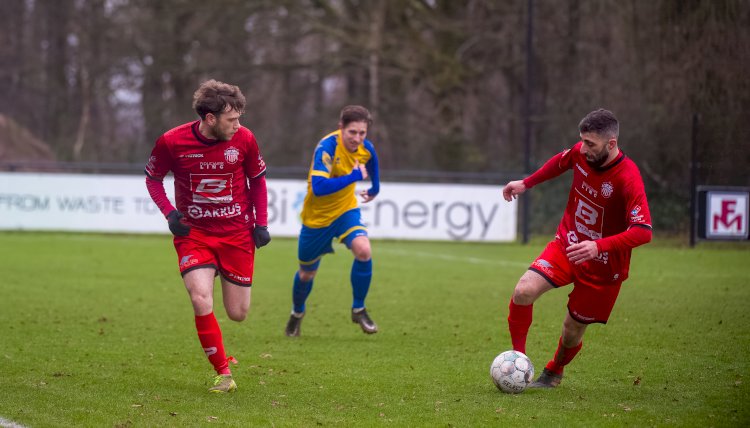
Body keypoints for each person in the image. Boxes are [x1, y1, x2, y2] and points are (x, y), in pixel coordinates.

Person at [502, 108, 652, 388]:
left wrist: (598, 246)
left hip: (604, 266)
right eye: (582, 141)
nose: (583, 149)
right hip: (567, 245)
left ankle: (554, 371)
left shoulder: (628, 178)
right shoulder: (581, 153)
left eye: (590, 144)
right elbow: (560, 163)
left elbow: (643, 231)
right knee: (523, 291)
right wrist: (526, 183)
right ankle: (518, 363)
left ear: (611, 144)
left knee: (572, 331)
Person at [144, 79, 270, 393]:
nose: (238, 125)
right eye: (232, 119)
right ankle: (224, 373)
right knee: (200, 298)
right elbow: (153, 180)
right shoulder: (172, 142)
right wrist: (170, 214)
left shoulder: (245, 140)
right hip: (195, 234)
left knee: (237, 314)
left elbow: (257, 182)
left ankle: (215, 271)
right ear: (210, 118)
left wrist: (261, 223)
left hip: (236, 235)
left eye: (239, 118)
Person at [284, 105, 381, 337]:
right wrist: (355, 177)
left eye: (362, 133)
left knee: (364, 250)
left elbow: (373, 163)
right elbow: (318, 188)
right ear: (341, 128)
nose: (358, 138)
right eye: (352, 133)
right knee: (307, 274)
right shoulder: (326, 148)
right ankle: (297, 313)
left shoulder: (365, 148)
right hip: (316, 219)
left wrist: (375, 188)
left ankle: (359, 308)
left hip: (345, 211)